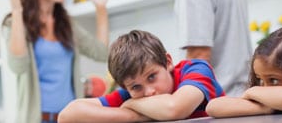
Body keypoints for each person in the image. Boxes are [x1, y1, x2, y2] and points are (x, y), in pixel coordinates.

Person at [2, 0, 122, 123]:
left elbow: (101, 53)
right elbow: (18, 65)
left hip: (70, 118)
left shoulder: (66, 24)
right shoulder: (15, 23)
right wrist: (17, 11)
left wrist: (100, 8)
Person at [58, 29, 224, 123]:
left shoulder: (195, 69)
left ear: (167, 62)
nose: (149, 91)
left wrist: (132, 104)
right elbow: (67, 115)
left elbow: (175, 109)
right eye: (136, 87)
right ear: (125, 87)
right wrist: (133, 115)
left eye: (152, 77)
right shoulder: (131, 94)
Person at [206, 26, 282, 118]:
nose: (263, 88)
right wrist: (268, 107)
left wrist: (253, 92)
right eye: (260, 80)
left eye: (274, 81)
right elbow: (213, 107)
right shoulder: (264, 97)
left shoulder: (257, 92)